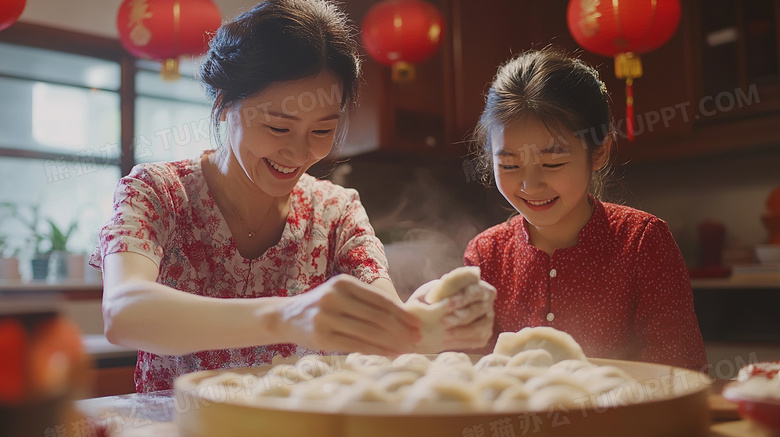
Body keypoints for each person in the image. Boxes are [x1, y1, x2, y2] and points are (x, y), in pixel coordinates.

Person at [90, 0, 493, 393]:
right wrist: (286, 315)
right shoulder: (158, 192)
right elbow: (125, 312)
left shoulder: (335, 211)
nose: (300, 155)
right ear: (224, 104)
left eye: (321, 132)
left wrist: (415, 323)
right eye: (279, 128)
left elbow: (380, 312)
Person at [464, 47, 708, 371]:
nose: (530, 185)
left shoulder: (641, 243)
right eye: (509, 165)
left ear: (599, 152)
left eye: (552, 162)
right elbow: (471, 376)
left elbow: (679, 374)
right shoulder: (486, 255)